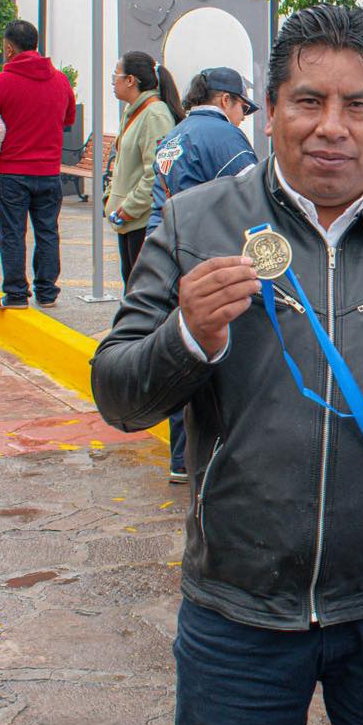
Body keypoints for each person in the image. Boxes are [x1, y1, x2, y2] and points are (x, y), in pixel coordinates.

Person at [92, 4, 363, 725]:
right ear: (267, 112)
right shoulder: (194, 225)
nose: (330, 126)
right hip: (238, 609)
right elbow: (118, 396)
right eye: (308, 101)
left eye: (356, 104)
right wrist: (189, 331)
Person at [146, 66, 260, 485]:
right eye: (242, 107)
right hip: (207, 259)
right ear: (225, 100)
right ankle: (207, 461)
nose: (243, 118)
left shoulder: (174, 135)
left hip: (165, 254)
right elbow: (253, 198)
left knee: (182, 349)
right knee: (214, 355)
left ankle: (181, 456)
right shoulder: (225, 137)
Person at [0, 19, 77, 310]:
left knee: (13, 233)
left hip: (12, 170)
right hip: (49, 170)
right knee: (47, 231)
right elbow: (68, 119)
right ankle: (47, 292)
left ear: (8, 48)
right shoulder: (60, 80)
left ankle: (15, 293)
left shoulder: (0, 83)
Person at [106, 51, 183, 284]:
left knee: (139, 288)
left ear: (131, 80)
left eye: (115, 75)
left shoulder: (154, 115)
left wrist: (130, 206)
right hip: (128, 219)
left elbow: (157, 172)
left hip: (141, 219)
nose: (112, 81)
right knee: (130, 283)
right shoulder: (135, 111)